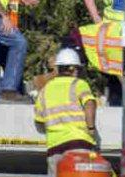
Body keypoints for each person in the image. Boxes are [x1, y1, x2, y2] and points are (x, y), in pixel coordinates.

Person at [34, 48, 99, 177]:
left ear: (58, 69)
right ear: (73, 69)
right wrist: (91, 128)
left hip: (54, 148)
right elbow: (90, 104)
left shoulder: (45, 90)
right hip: (79, 144)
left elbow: (39, 123)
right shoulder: (79, 84)